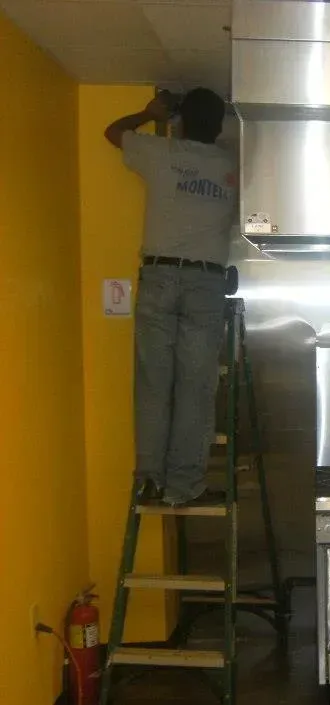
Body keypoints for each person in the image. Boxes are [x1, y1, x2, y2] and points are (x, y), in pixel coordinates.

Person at [105, 88, 238, 506]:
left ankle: (149, 481)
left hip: (160, 276)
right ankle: (184, 487)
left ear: (178, 122)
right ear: (218, 127)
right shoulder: (233, 165)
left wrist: (148, 112)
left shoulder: (158, 153)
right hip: (205, 282)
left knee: (154, 383)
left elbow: (113, 131)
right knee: (195, 387)